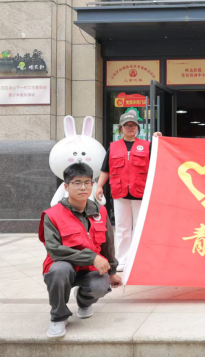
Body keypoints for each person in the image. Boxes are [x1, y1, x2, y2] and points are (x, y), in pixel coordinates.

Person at [39, 163, 122, 339]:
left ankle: (84, 301)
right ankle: (59, 317)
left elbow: (108, 244)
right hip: (64, 266)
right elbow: (54, 250)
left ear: (92, 185)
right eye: (77, 183)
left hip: (89, 269)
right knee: (59, 270)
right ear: (66, 186)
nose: (83, 187)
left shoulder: (100, 211)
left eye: (87, 182)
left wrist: (112, 271)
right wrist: (91, 257)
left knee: (101, 284)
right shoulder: (52, 215)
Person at [96, 112, 161, 273]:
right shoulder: (113, 147)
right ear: (121, 128)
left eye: (133, 125)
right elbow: (106, 169)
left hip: (141, 192)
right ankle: (123, 260)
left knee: (140, 227)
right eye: (127, 125)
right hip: (120, 193)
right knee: (122, 228)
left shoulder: (147, 145)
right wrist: (99, 186)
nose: (130, 128)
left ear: (138, 128)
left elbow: (158, 162)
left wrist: (159, 140)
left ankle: (140, 259)